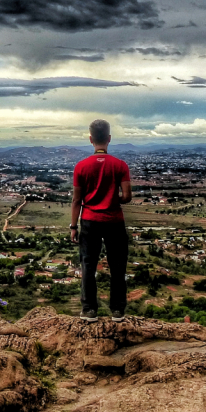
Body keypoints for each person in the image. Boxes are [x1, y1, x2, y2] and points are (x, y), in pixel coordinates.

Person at [70, 119, 132, 321]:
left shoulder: (81, 167)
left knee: (88, 265)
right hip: (114, 220)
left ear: (90, 139)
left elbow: (77, 200)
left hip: (89, 221)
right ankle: (117, 310)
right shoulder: (120, 165)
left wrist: (73, 227)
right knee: (117, 265)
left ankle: (89, 310)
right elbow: (127, 196)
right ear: (109, 139)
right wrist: (114, 198)